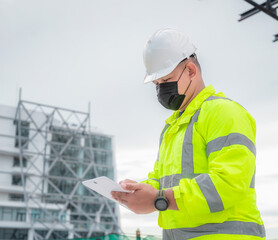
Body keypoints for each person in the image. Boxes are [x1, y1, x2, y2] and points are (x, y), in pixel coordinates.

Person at [111, 28, 266, 240]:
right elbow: (165, 181)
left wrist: (158, 199)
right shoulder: (173, 127)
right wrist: (140, 190)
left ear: (191, 71)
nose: (160, 90)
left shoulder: (224, 112)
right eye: (156, 84)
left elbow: (229, 183)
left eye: (166, 81)